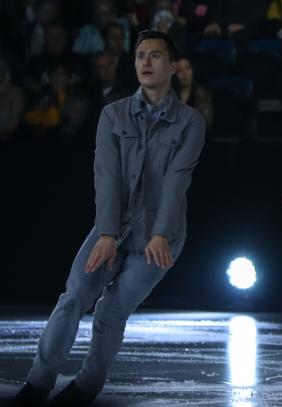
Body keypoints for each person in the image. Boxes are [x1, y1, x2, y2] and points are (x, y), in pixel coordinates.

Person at [12, 30, 206, 405]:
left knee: (113, 309)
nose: (146, 62)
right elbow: (107, 177)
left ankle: (86, 387)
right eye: (140, 56)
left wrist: (161, 233)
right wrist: (106, 232)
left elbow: (175, 181)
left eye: (154, 56)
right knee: (74, 298)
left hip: (162, 236)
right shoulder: (113, 115)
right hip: (113, 228)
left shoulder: (190, 122)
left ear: (172, 66)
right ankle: (38, 383)